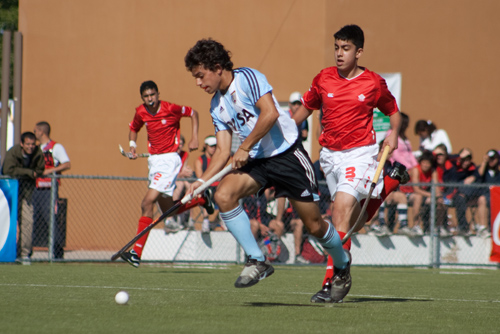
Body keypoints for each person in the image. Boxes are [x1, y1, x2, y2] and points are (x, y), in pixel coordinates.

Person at [185, 38, 352, 301]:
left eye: (200, 75)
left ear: (217, 67)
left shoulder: (247, 78)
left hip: (287, 156)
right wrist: (202, 181)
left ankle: (342, 262)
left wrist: (246, 146)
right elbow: (222, 150)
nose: (198, 82)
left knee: (314, 225)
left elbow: (270, 113)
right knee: (223, 195)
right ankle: (257, 259)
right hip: (258, 161)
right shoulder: (216, 105)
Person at [291, 25, 409, 303]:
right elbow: (305, 109)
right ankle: (390, 182)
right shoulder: (323, 78)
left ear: (359, 52)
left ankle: (331, 281)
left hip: (359, 154)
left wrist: (394, 133)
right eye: (336, 48)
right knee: (353, 221)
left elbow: (394, 113)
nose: (339, 54)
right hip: (329, 157)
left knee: (340, 212)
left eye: (345, 49)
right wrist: (282, 131)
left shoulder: (373, 82)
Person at [120, 80, 214, 268]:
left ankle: (136, 253)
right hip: (154, 162)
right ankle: (202, 200)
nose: (150, 99)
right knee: (169, 210)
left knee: (147, 202)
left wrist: (195, 137)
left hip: (169, 160)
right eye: (146, 97)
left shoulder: (170, 108)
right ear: (142, 98)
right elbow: (133, 128)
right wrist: (132, 146)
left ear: (158, 94)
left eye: (152, 95)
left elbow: (193, 113)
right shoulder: (141, 111)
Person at [2, 132, 45, 264]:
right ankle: (4, 252)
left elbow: (39, 171)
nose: (31, 147)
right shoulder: (13, 152)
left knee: (27, 222)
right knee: (5, 220)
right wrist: (27, 173)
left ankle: (24, 254)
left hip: (27, 192)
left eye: (33, 144)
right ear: (22, 144)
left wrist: (29, 174)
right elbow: (7, 170)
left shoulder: (38, 153)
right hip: (8, 192)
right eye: (27, 144)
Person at [32, 121, 71, 259]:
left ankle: (58, 252)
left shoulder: (55, 147)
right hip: (35, 188)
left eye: (36, 131)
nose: (34, 133)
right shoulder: (36, 148)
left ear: (41, 131)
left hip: (49, 189)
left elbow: (67, 163)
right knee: (32, 219)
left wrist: (50, 171)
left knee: (51, 220)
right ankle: (25, 252)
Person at [442, 148, 479, 236]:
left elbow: (478, 174)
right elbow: (445, 158)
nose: (466, 162)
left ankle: (463, 227)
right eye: (464, 159)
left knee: (460, 198)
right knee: (441, 202)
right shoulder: (453, 165)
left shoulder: (472, 169)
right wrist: (459, 156)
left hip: (461, 196)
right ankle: (443, 226)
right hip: (447, 194)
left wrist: (473, 177)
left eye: (468, 160)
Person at [194, 135, 219, 233]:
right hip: (207, 187)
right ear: (206, 146)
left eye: (215, 146)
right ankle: (206, 221)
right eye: (211, 146)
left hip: (217, 186)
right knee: (206, 194)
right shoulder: (200, 160)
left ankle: (221, 220)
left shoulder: (217, 160)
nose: (213, 149)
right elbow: (200, 177)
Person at [474, 149, 500, 238]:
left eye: (493, 158)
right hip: (485, 197)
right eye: (490, 158)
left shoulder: (498, 174)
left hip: (497, 199)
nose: (491, 161)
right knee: (482, 199)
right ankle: (483, 227)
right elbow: (479, 175)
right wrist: (484, 162)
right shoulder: (482, 171)